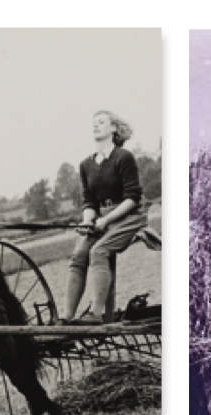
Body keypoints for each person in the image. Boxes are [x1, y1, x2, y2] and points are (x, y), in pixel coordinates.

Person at [61, 110, 147, 323]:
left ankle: (96, 314)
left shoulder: (123, 157)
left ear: (114, 129)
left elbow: (133, 197)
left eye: (101, 122)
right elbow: (89, 201)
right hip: (101, 218)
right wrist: (87, 221)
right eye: (94, 123)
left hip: (128, 216)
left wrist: (106, 220)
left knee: (99, 252)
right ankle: (65, 318)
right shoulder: (85, 165)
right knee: (78, 256)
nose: (95, 126)